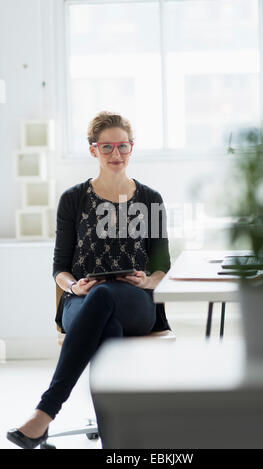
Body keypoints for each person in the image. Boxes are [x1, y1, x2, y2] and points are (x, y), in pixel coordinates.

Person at [7, 111, 171, 449]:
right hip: (81, 299)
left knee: (107, 299)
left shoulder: (150, 199)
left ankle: (44, 414)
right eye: (107, 147)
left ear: (132, 148)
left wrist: (147, 280)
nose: (116, 154)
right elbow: (60, 268)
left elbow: (161, 267)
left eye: (122, 146)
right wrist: (73, 286)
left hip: (135, 302)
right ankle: (116, 443)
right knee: (103, 317)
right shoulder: (74, 199)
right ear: (93, 150)